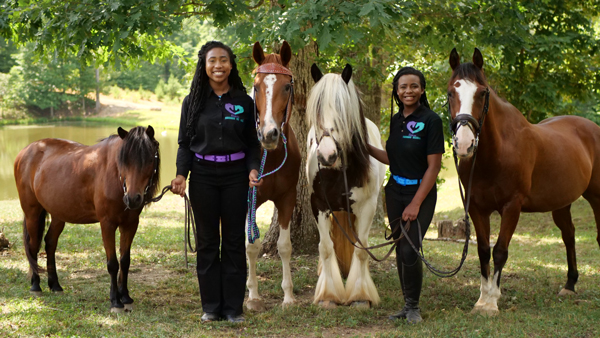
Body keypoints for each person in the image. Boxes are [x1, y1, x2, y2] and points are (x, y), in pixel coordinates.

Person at [170, 41, 262, 323]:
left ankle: (233, 309)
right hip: (203, 177)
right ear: (204, 65)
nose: (218, 65)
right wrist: (180, 175)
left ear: (231, 65)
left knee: (234, 241)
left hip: (236, 177)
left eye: (223, 60)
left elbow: (252, 144)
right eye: (212, 60)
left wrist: (252, 169)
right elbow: (185, 143)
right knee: (208, 242)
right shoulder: (193, 102)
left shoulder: (245, 102)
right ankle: (211, 307)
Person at [368, 67, 444, 324]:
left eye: (413, 86)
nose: (408, 91)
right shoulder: (395, 119)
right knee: (401, 248)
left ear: (422, 89)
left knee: (411, 249)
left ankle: (413, 307)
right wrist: (366, 147)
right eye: (403, 87)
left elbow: (434, 166)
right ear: (396, 91)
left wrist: (415, 203)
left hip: (419, 192)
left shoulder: (432, 120)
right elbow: (393, 159)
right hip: (394, 190)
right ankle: (406, 305)